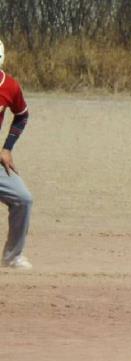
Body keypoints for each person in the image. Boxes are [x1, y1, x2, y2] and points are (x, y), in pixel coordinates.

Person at [0, 39, 33, 270]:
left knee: (23, 199)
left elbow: (22, 115)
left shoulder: (9, 86)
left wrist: (7, 147)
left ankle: (12, 256)